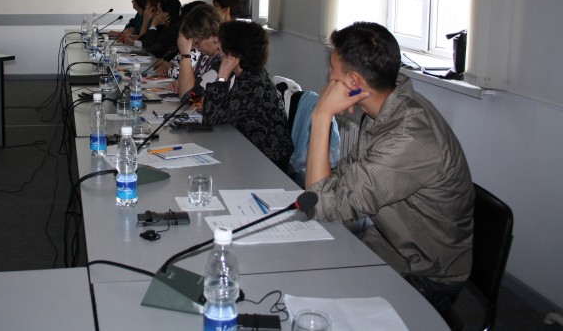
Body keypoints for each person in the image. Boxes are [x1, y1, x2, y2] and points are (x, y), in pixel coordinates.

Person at [304, 21, 474, 317]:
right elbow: (342, 181)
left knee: (315, 298)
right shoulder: (386, 109)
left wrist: (321, 115)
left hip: (423, 273)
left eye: (332, 70)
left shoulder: (408, 137)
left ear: (354, 81)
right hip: (385, 244)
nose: (329, 78)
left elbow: (320, 206)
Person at [202, 21, 294, 170]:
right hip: (250, 151)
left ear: (234, 53)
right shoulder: (249, 75)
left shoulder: (253, 85)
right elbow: (219, 112)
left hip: (268, 164)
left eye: (221, 45)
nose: (218, 49)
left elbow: (210, 119)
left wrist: (222, 77)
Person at [172, 4, 223, 98]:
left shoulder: (222, 62)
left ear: (215, 37)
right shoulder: (205, 57)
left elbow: (188, 97)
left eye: (196, 43)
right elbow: (192, 85)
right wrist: (180, 83)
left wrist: (185, 54)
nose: (195, 47)